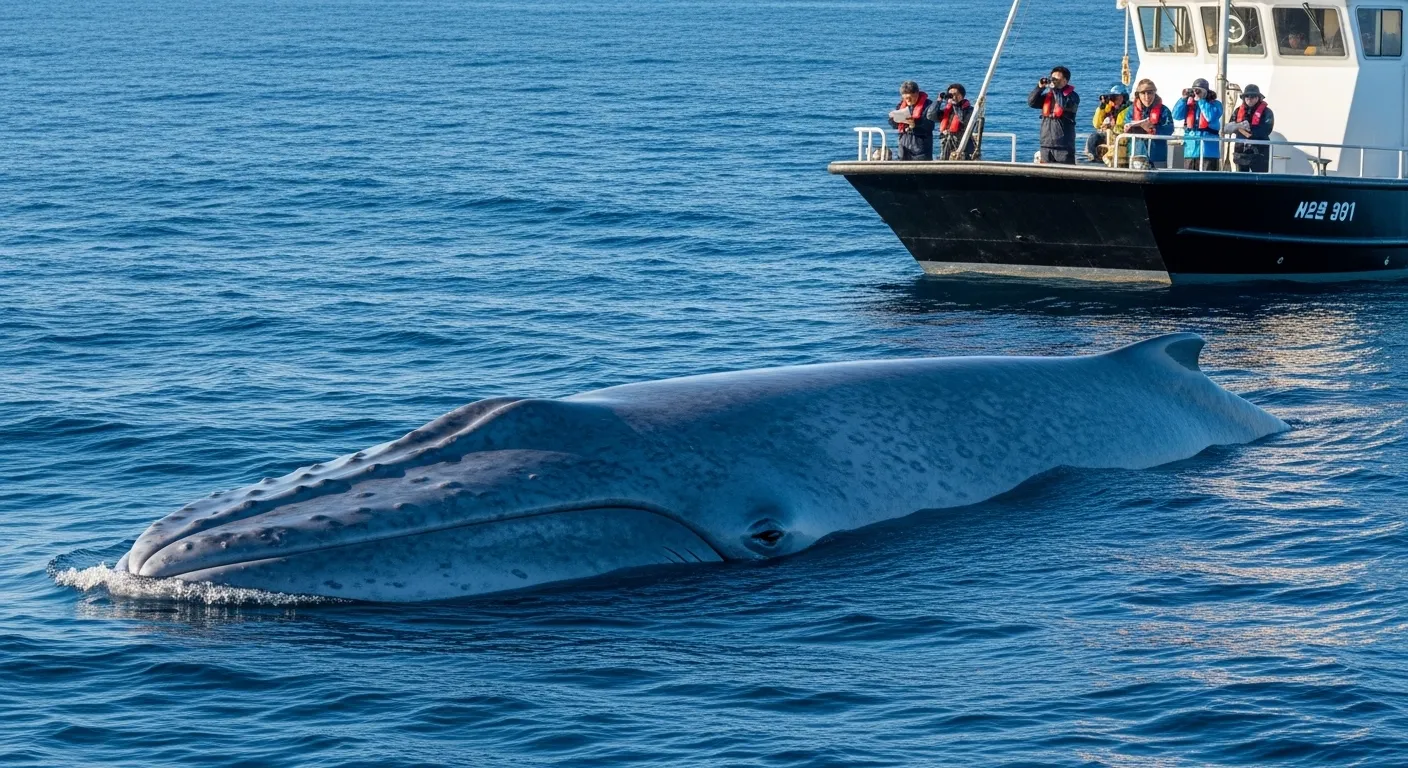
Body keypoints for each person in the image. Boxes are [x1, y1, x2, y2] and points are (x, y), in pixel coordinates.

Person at [1027, 66, 1080, 164]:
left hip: (1064, 146)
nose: (1054, 81)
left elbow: (1062, 104)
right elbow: (1031, 102)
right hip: (1046, 144)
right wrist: (1039, 88)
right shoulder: (1048, 97)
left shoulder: (1073, 97)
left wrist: (1055, 89)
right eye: (1053, 78)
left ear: (1065, 81)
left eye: (1057, 79)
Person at [1171, 78, 1223, 170]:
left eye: (1199, 91)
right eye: (1195, 91)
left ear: (1206, 92)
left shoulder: (1216, 104)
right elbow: (1176, 115)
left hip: (1208, 151)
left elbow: (1209, 116)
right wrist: (1183, 99)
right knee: (1189, 181)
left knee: (1208, 181)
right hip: (1190, 150)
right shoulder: (1189, 104)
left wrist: (1201, 101)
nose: (1196, 93)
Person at [1125, 78, 1175, 167]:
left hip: (1157, 155)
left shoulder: (1164, 111)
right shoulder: (1131, 110)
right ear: (1138, 95)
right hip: (1136, 154)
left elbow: (1169, 129)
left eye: (1150, 93)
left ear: (1154, 93)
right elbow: (1125, 125)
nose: (1147, 96)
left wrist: (1153, 129)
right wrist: (1127, 128)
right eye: (1143, 93)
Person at [1228, 84, 1275, 172]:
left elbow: (1267, 129)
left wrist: (1249, 130)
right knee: (1241, 181)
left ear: (1258, 98)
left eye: (1253, 96)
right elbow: (1230, 126)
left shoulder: (1267, 112)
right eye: (1247, 96)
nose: (1249, 98)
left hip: (1259, 152)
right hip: (1240, 152)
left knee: (1259, 181)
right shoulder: (1238, 111)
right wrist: (1239, 127)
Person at [888, 81, 935, 161]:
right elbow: (894, 125)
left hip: (921, 147)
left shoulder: (928, 105)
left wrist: (915, 124)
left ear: (917, 94)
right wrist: (894, 119)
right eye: (906, 98)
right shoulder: (901, 105)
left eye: (910, 98)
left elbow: (930, 125)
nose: (908, 101)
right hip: (904, 145)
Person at [1086, 83, 1131, 165]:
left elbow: (1125, 124)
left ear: (1124, 97)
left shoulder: (1129, 108)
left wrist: (1111, 126)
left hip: (1123, 136)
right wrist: (1102, 107)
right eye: (1113, 97)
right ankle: (1095, 159)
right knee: (1093, 137)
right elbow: (1096, 124)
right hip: (1108, 135)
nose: (1115, 99)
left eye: (1117, 97)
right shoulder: (1108, 108)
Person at [928, 83, 976, 160]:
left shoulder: (970, 110)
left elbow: (963, 120)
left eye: (955, 94)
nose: (953, 97)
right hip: (947, 143)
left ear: (962, 96)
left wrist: (955, 105)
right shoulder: (947, 110)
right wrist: (939, 100)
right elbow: (930, 115)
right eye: (950, 94)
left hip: (964, 145)